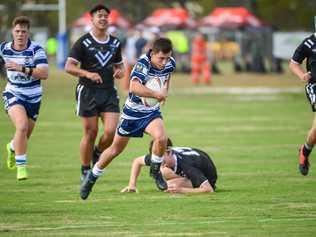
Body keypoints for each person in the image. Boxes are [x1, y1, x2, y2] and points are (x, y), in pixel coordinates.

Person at [80, 37, 176, 200]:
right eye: (161, 58)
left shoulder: (170, 63)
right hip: (132, 114)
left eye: (167, 58)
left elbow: (166, 78)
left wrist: (164, 91)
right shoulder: (143, 64)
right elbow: (134, 87)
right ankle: (92, 177)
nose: (164, 62)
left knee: (161, 138)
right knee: (115, 150)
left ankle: (155, 170)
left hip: (151, 112)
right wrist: (155, 94)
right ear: (152, 53)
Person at [64, 4, 125, 182]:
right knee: (90, 133)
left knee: (111, 132)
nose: (103, 18)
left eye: (106, 15)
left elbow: (119, 64)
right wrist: (87, 74)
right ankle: (85, 169)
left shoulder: (115, 42)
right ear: (92, 19)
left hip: (108, 92)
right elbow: (69, 67)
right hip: (88, 92)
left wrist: (120, 71)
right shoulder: (83, 42)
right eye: (99, 15)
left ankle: (97, 152)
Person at [0, 16, 49, 180]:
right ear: (12, 32)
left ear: (28, 33)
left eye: (24, 31)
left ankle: (12, 147)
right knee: (21, 127)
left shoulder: (36, 50)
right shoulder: (4, 49)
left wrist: (22, 68)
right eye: (17, 31)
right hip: (13, 93)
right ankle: (22, 168)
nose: (20, 34)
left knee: (24, 136)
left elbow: (44, 74)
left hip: (34, 97)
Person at [121, 138, 217, 193]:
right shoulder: (159, 155)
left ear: (168, 151)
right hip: (191, 166)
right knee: (163, 171)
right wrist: (132, 185)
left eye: (159, 156)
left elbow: (209, 189)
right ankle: (184, 180)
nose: (157, 159)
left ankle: (188, 182)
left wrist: (181, 190)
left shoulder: (186, 164)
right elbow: (137, 161)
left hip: (207, 178)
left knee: (170, 186)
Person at [289, 31, 316, 176]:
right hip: (315, 86)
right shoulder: (309, 43)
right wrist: (302, 75)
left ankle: (304, 151)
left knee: (315, 133)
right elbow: (293, 64)